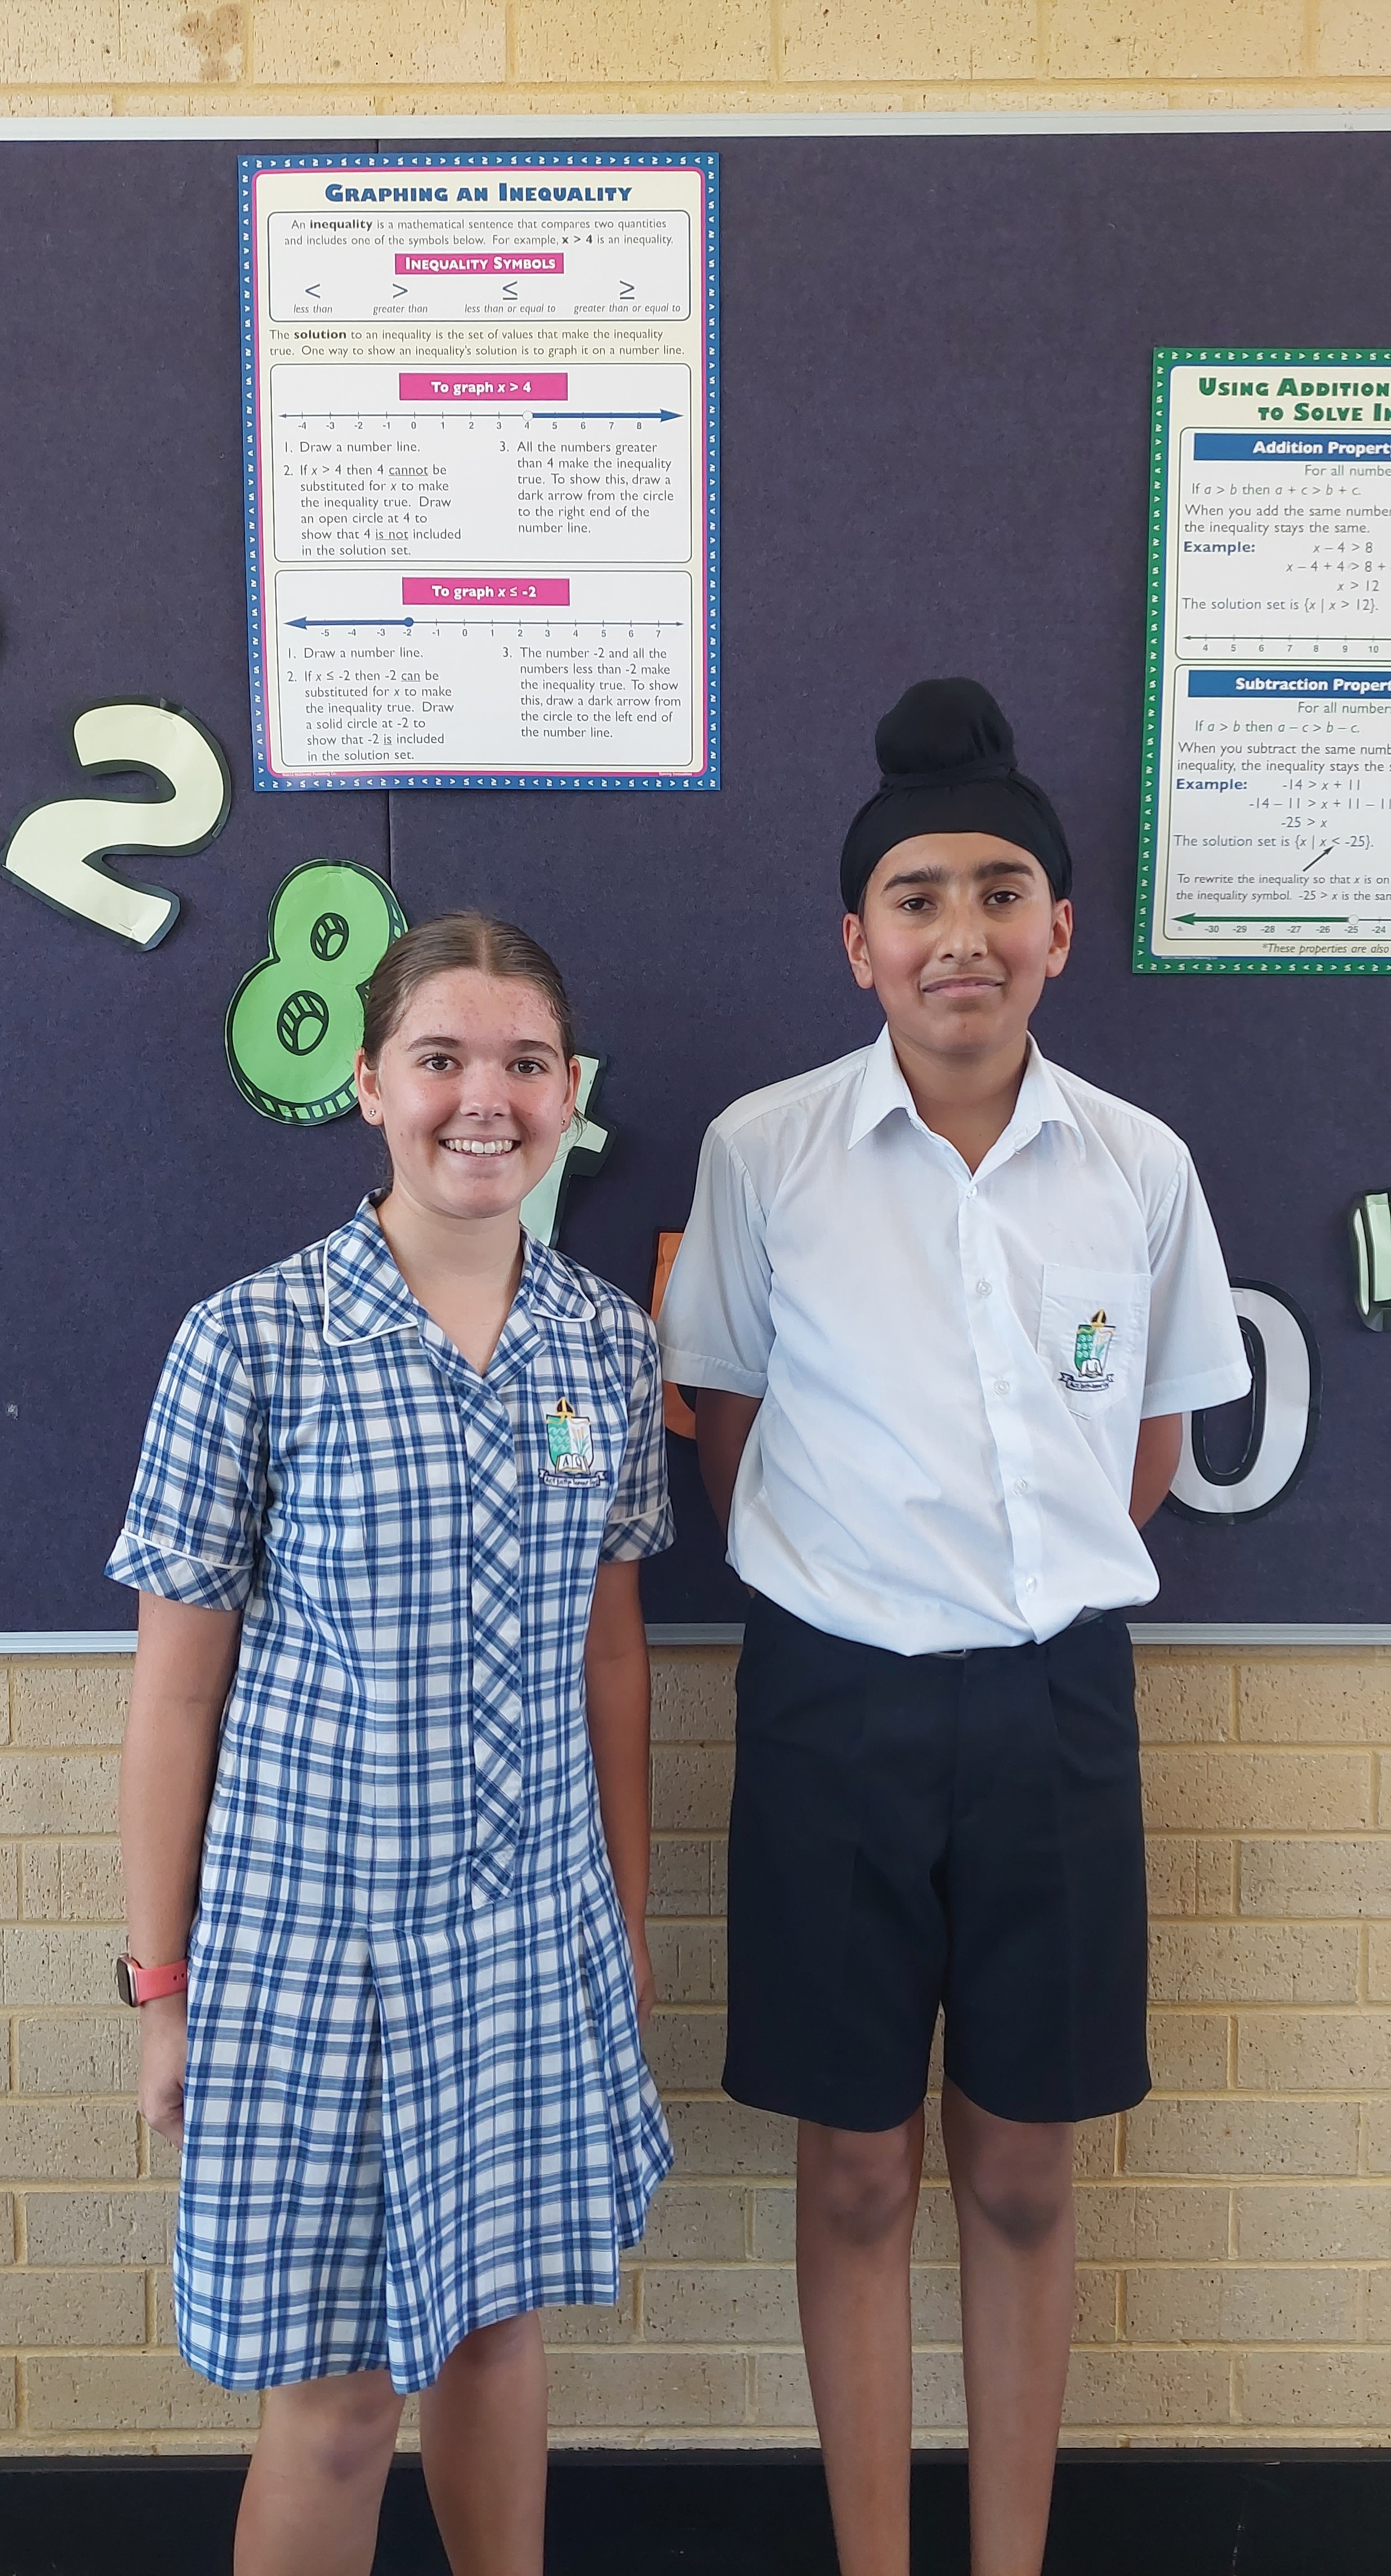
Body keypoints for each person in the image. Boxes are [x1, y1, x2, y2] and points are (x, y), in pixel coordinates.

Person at [657, 679, 1249, 2576]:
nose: (960, 933)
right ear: (858, 943)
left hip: (1053, 1715)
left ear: (1058, 929)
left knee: (1019, 2173)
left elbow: (1142, 1455)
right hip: (827, 1710)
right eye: (915, 898)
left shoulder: (1138, 1166)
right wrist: (870, 1585)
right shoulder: (764, 1153)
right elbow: (729, 1427)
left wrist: (1001, 1592)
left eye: (1000, 893)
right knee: (851, 2177)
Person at [109, 913, 672, 2576]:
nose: (483, 1099)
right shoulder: (253, 1342)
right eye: (441, 1060)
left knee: (498, 2344)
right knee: (343, 2398)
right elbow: (175, 1696)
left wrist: (626, 1921)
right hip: (314, 1954)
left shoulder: (603, 1345)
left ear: (567, 1094)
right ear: (367, 1084)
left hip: (529, 1937)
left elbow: (612, 1657)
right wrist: (161, 1987)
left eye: (524, 1063)